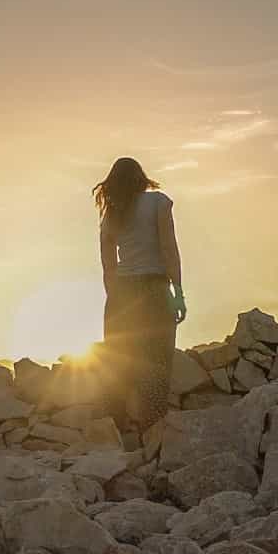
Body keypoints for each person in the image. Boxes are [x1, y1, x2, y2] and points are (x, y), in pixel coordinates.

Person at [94, 157, 185, 433]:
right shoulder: (158, 203)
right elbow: (169, 249)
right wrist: (178, 292)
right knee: (156, 365)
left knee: (118, 367)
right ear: (141, 177)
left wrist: (117, 300)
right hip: (154, 290)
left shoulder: (111, 215)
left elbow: (108, 266)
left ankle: (117, 435)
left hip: (121, 293)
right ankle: (154, 434)